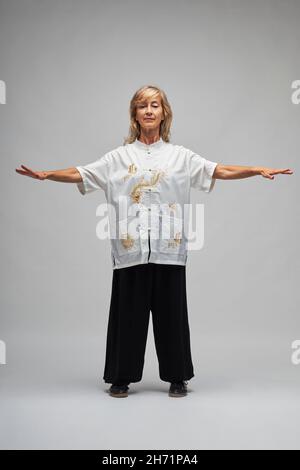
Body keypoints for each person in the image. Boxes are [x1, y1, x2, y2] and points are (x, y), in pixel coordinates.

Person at [15, 85, 293, 398]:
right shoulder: (118, 158)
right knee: (127, 318)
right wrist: (46, 175)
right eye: (142, 106)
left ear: (164, 113)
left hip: (169, 250)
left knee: (172, 317)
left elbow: (220, 170)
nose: (149, 110)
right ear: (134, 114)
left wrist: (256, 169)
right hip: (129, 250)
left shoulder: (180, 157)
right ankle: (120, 377)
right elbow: (81, 173)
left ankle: (178, 377)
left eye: (155, 105)